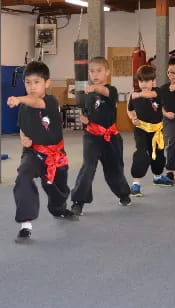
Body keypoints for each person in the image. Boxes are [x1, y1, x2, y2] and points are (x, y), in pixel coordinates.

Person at [7, 61, 77, 244]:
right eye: (27, 82)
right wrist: (23, 138)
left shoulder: (51, 102)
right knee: (23, 176)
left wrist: (20, 98)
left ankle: (58, 208)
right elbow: (22, 127)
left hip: (55, 153)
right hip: (33, 152)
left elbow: (36, 102)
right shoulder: (24, 107)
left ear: (47, 83)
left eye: (36, 82)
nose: (31, 87)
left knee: (55, 186)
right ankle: (25, 223)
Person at [70, 56, 132, 216]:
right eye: (92, 71)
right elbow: (87, 114)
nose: (95, 74)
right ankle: (78, 201)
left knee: (114, 168)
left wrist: (94, 88)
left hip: (111, 137)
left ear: (107, 72)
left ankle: (123, 194)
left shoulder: (111, 90)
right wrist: (84, 119)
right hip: (92, 137)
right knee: (88, 167)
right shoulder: (88, 94)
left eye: (99, 71)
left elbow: (103, 91)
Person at [127, 65, 174, 197]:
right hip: (141, 129)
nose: (144, 84)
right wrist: (133, 118)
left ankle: (157, 177)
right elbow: (130, 110)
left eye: (147, 81)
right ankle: (136, 184)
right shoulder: (134, 95)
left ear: (153, 81)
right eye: (141, 81)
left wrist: (138, 94)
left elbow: (150, 94)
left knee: (159, 155)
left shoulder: (157, 92)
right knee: (141, 153)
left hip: (157, 131)